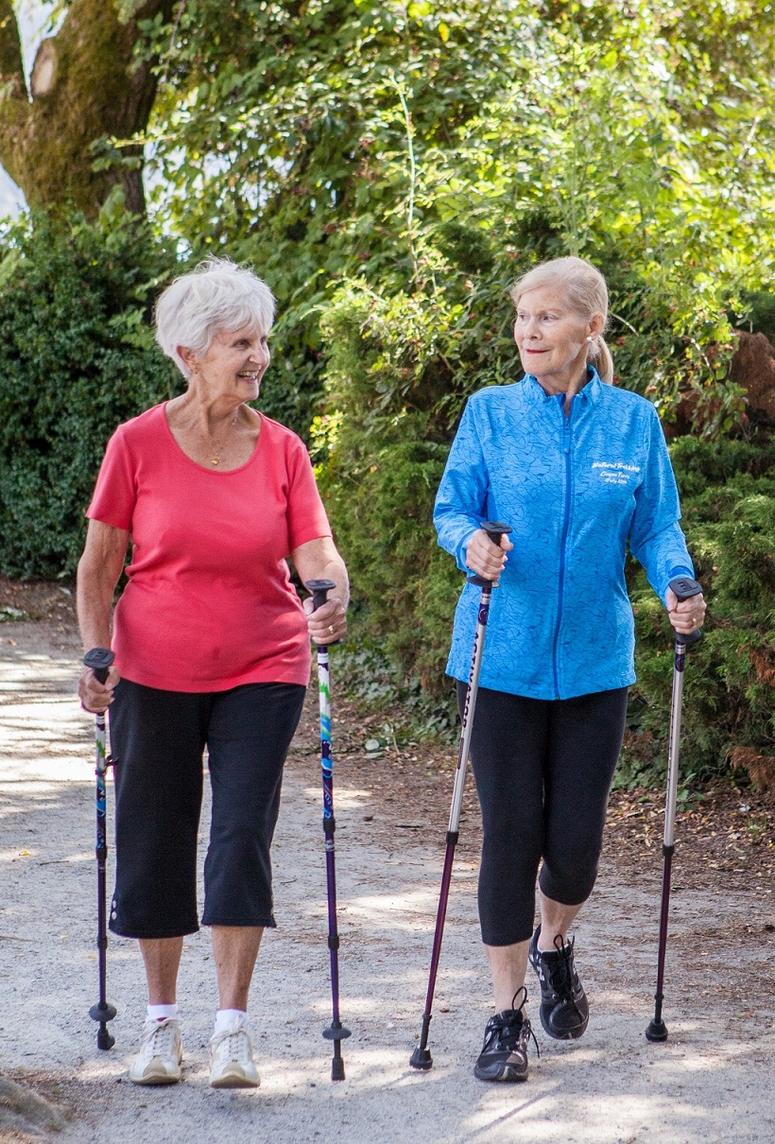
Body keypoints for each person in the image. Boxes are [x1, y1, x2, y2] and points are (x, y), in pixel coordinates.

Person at [77, 258, 349, 1089]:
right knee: (154, 838)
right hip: (152, 670)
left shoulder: (282, 450)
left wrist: (330, 592)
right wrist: (97, 654)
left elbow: (315, 550)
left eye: (262, 339)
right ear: (191, 353)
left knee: (239, 840)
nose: (258, 355)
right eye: (240, 341)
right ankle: (161, 1028)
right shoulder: (136, 444)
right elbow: (99, 567)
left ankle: (232, 1030)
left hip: (264, 668)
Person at [433, 255, 706, 1083]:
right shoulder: (488, 414)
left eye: (546, 318)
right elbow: (452, 508)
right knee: (510, 838)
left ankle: (556, 944)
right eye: (522, 319)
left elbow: (656, 527)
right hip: (501, 660)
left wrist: (677, 582)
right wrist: (468, 542)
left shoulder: (632, 422)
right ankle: (506, 1016)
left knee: (575, 850)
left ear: (590, 327)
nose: (528, 331)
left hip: (594, 665)